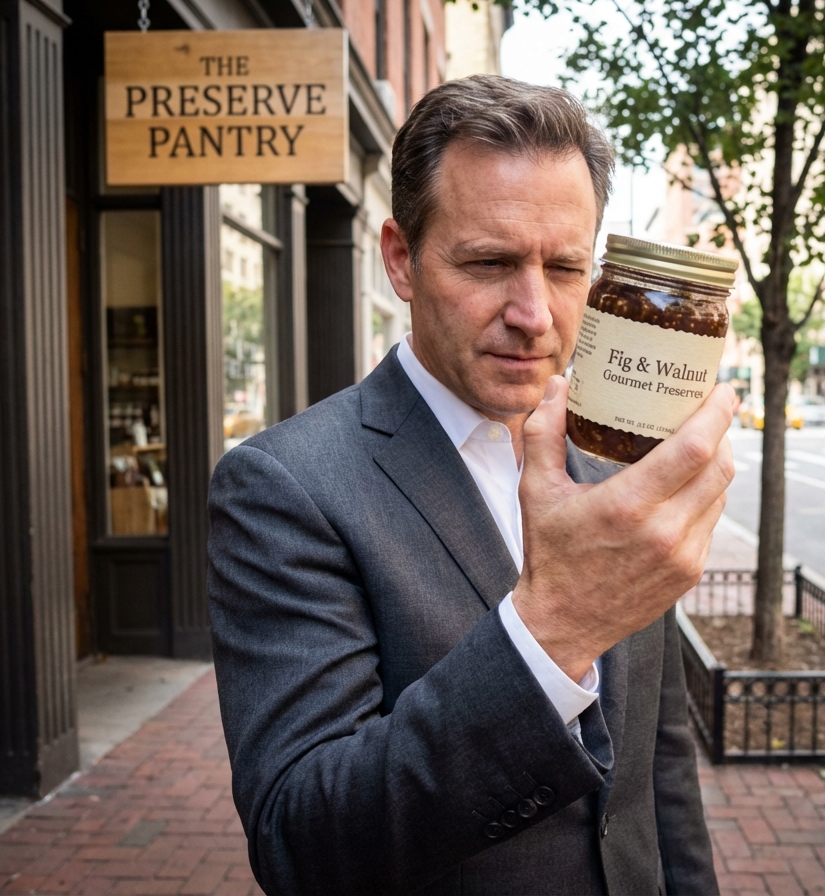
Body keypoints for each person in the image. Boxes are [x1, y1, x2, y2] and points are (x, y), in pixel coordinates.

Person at [207, 75, 732, 896]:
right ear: (400, 260)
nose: (535, 312)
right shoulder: (287, 486)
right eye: (489, 263)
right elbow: (299, 839)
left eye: (565, 268)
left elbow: (656, 764)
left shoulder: (617, 460)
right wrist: (552, 632)